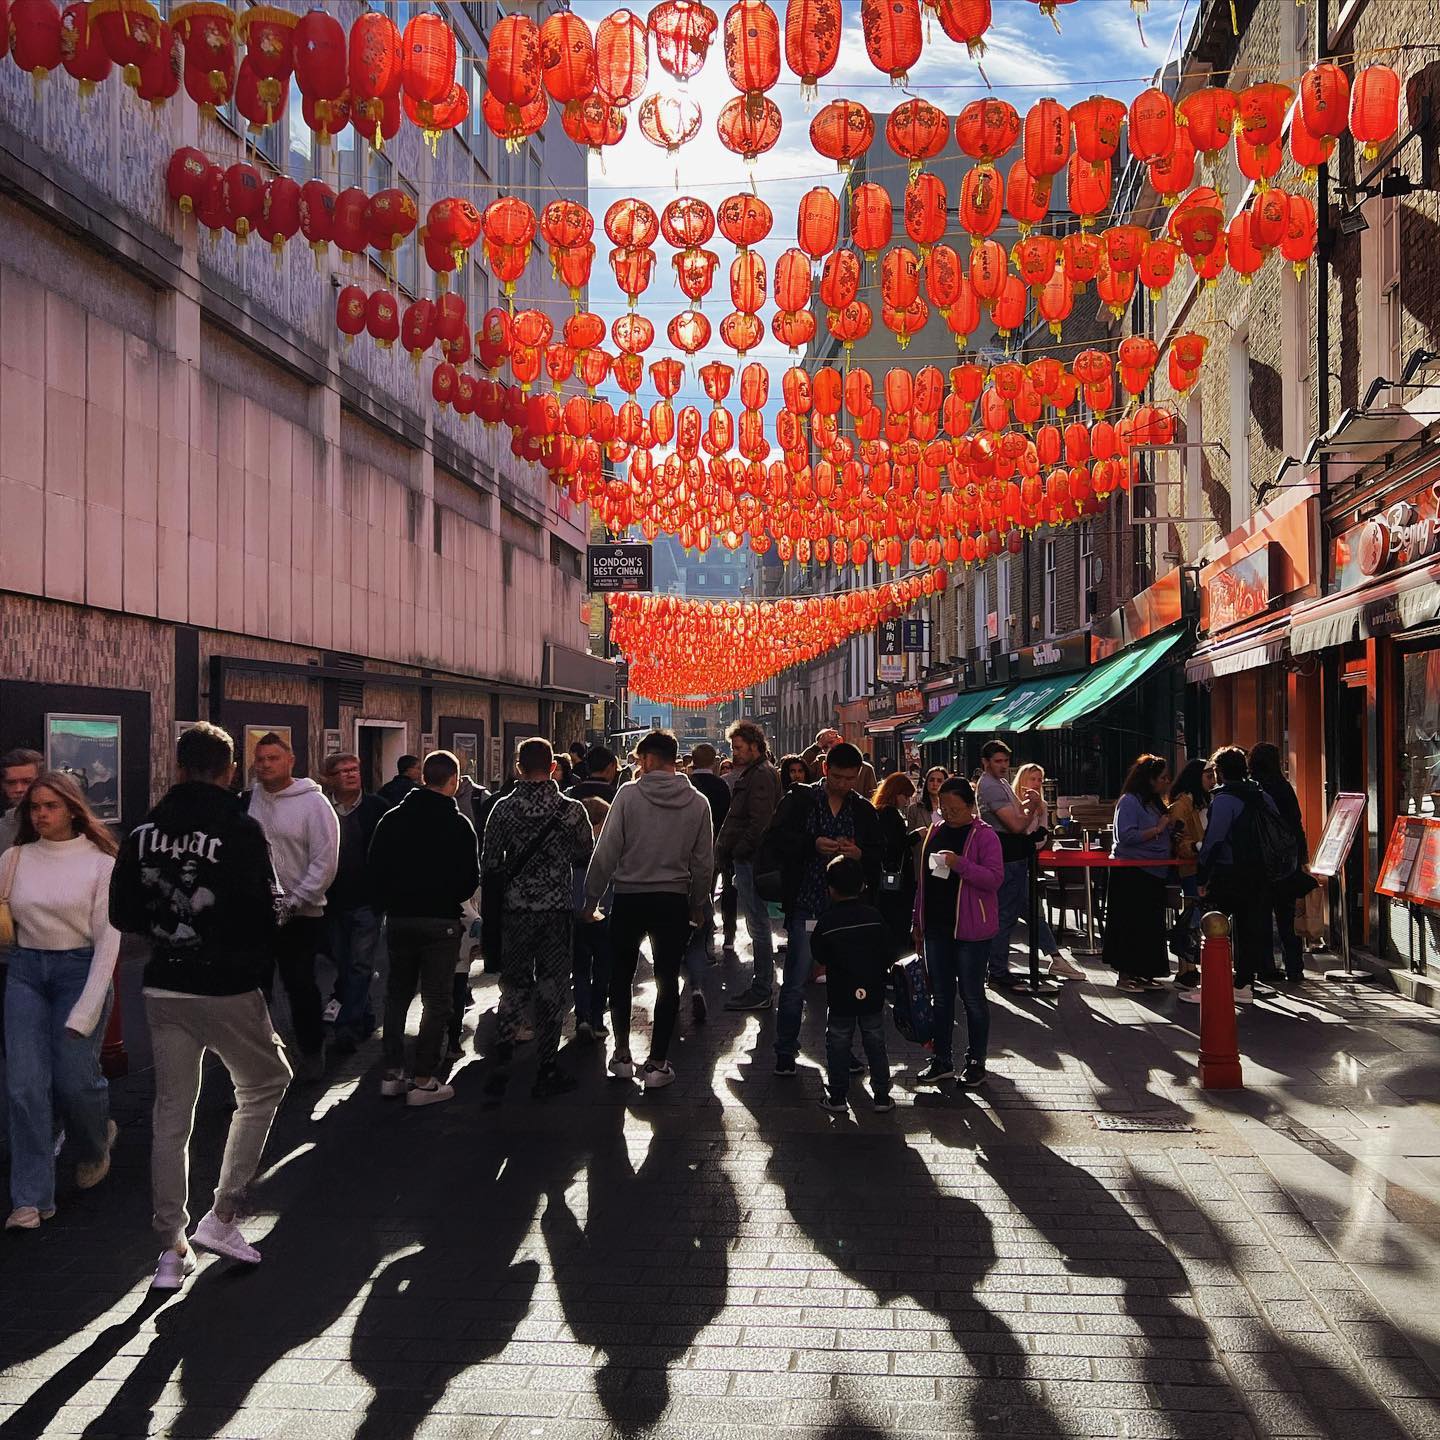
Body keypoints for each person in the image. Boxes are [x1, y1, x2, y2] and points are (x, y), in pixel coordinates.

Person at [110, 722, 291, 1289]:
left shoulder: (143, 831)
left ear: (179, 765)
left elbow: (123, 914)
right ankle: (225, 1211)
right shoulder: (239, 828)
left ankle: (169, 1247)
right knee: (265, 1082)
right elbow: (265, 913)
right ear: (229, 769)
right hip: (227, 984)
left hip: (164, 983)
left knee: (171, 1112)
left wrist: (170, 933)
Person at [2, 772, 120, 1232]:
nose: (41, 815)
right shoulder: (14, 858)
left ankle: (95, 1143)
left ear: (73, 809)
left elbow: (109, 942)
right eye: (35, 808)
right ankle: (29, 1198)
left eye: (51, 806)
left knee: (76, 1081)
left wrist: (87, 1009)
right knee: (24, 1087)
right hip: (25, 973)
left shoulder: (100, 863)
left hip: (81, 971)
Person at [583, 729, 714, 1089]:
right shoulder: (698, 802)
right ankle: (657, 1062)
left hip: (629, 897)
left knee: (621, 976)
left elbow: (606, 851)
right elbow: (704, 862)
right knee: (667, 978)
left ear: (650, 759)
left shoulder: (628, 796)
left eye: (641, 759)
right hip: (672, 899)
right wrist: (698, 904)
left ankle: (623, 1054)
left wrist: (591, 899)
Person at [756, 742, 880, 1075]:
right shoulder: (801, 799)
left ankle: (842, 1048)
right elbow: (775, 840)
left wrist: (859, 854)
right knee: (796, 978)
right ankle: (785, 1048)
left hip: (846, 911)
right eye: (838, 777)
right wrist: (811, 845)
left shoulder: (862, 809)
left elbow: (878, 853)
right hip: (808, 902)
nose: (844, 785)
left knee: (844, 981)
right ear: (825, 770)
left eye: (851, 779)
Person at [481, 738, 594, 1098]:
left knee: (514, 983)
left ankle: (503, 1051)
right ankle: (547, 1065)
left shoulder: (502, 809)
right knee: (553, 985)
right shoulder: (572, 809)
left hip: (516, 911)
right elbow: (584, 854)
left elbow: (490, 863)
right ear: (552, 768)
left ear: (518, 767)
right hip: (556, 910)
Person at [367, 750, 480, 1107]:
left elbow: (375, 867)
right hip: (441, 921)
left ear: (422, 778)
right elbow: (470, 880)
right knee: (437, 1000)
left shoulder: (392, 818)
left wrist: (392, 901)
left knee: (397, 994)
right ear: (452, 781)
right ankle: (423, 1079)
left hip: (400, 918)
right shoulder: (458, 824)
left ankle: (392, 1072)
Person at [247, 733, 339, 1081]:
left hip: (302, 915)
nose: (266, 764)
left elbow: (325, 861)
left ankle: (312, 1052)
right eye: (260, 759)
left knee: (300, 986)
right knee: (256, 992)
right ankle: (259, 1061)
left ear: (290, 761)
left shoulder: (314, 805)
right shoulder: (249, 800)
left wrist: (295, 900)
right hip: (256, 917)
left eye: (273, 758)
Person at [911, 777, 1004, 1087]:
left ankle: (976, 1061)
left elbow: (994, 878)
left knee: (973, 996)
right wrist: (918, 921)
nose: (948, 814)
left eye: (955, 808)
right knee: (941, 996)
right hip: (937, 927)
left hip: (971, 931)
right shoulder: (936, 832)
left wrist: (961, 864)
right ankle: (941, 1059)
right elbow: (924, 880)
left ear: (970, 806)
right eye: (943, 807)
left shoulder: (985, 836)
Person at [1189, 746, 1280, 1005]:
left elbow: (1214, 840)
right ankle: (1244, 983)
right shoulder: (1263, 796)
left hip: (1230, 872)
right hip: (1260, 872)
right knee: (1249, 927)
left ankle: (1212, 984)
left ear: (1219, 772)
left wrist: (1202, 876)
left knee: (1212, 926)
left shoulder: (1224, 800)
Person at [811, 856, 896, 1114]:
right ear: (862, 887)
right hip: (872, 991)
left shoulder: (827, 922)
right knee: (875, 1040)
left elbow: (820, 954)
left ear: (830, 889)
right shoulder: (874, 917)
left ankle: (837, 1096)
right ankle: (881, 1095)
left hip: (840, 994)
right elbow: (888, 951)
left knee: (838, 1042)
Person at [318, 752, 389, 1053]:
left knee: (360, 964)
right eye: (343, 771)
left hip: (366, 901)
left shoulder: (376, 808)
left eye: (354, 770)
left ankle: (347, 1025)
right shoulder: (320, 809)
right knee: (344, 962)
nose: (350, 775)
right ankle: (366, 1013)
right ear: (329, 778)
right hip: (330, 900)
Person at [718, 721, 784, 1011]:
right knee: (757, 923)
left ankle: (762, 988)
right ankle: (761, 986)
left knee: (757, 924)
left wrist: (739, 851)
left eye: (739, 748)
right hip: (748, 858)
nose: (735, 753)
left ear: (755, 746)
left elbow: (760, 821)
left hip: (751, 860)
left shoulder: (760, 776)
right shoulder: (757, 773)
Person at [1104, 755, 1176, 993]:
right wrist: (1157, 829)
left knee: (1149, 925)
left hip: (1154, 871)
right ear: (1150, 779)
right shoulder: (1130, 802)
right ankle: (1125, 974)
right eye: (1163, 778)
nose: (1167, 782)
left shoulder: (1154, 803)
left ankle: (1146, 971)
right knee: (1130, 923)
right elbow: (1126, 835)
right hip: (1132, 872)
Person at [975, 740, 1043, 987]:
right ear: (986, 762)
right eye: (998, 761)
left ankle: (1000, 967)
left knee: (1015, 912)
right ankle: (997, 969)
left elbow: (1016, 813)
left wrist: (1028, 806)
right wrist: (1033, 807)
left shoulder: (1001, 782)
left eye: (1005, 761)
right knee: (1005, 914)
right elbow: (1015, 824)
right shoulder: (990, 785)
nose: (1003, 766)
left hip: (1014, 853)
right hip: (1006, 854)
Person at [1012, 763, 1086, 981]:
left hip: (1026, 861)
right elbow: (1016, 829)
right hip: (1010, 861)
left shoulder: (1042, 805)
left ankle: (1055, 958)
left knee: (1031, 910)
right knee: (1019, 912)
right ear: (1022, 780)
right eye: (1032, 779)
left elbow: (1040, 837)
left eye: (1039, 780)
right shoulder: (1012, 803)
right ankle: (1055, 957)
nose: (1036, 783)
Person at [1249, 742, 1308, 983]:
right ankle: (1294, 966)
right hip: (1285, 860)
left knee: (1261, 916)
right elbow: (1296, 823)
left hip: (1259, 861)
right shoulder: (1283, 788)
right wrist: (1302, 857)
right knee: (1287, 917)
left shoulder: (1252, 788)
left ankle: (1266, 967)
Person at [683, 742, 731, 1020]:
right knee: (707, 891)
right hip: (712, 849)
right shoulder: (721, 786)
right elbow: (726, 816)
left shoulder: (688, 786)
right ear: (713, 761)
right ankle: (705, 937)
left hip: (682, 856)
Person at [1166, 759, 1211, 985]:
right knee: (1191, 916)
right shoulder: (1183, 803)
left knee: (1197, 915)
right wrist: (1198, 846)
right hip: (1192, 867)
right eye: (1208, 775)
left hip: (1204, 866)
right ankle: (1187, 968)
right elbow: (1179, 839)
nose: (1212, 780)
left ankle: (1189, 968)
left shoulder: (1206, 801)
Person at [571, 796, 613, 1043]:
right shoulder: (608, 852)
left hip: (575, 915)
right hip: (603, 914)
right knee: (602, 969)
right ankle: (597, 1018)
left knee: (580, 969)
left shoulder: (571, 852)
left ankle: (582, 1017)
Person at [870, 773, 918, 948]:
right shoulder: (890, 813)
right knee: (898, 919)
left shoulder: (878, 811)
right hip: (896, 876)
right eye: (905, 796)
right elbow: (896, 844)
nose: (906, 801)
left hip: (884, 876)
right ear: (897, 793)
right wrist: (916, 836)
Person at [801, 728, 877, 794]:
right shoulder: (818, 763)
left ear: (840, 740)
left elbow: (872, 798)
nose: (829, 747)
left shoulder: (865, 768)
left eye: (831, 742)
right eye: (824, 746)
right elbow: (797, 764)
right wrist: (817, 746)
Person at [0, 747, 44, 855]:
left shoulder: (65, 821)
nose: (19, 789)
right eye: (11, 783)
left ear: (44, 781)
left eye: (27, 781)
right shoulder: (3, 829)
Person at [905, 766, 948, 831]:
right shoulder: (914, 809)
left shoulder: (952, 809)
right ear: (926, 783)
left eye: (939, 781)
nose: (935, 784)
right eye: (931, 780)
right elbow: (911, 837)